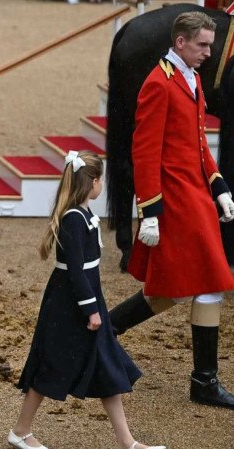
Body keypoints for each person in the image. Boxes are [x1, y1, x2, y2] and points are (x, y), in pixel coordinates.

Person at [108, 11, 234, 410]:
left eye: (210, 45)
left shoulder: (193, 78)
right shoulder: (158, 84)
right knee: (185, 287)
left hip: (196, 196)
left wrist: (220, 186)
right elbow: (144, 153)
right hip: (175, 202)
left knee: (192, 287)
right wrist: (148, 212)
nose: (209, 53)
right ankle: (104, 331)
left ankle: (203, 379)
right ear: (180, 42)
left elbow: (197, 146)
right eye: (202, 46)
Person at [9, 151, 164, 449]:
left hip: (85, 299)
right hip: (69, 305)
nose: (102, 184)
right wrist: (91, 310)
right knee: (50, 365)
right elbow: (76, 272)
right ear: (93, 182)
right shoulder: (73, 219)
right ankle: (20, 430)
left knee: (106, 365)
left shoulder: (83, 214)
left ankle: (126, 440)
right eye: (101, 179)